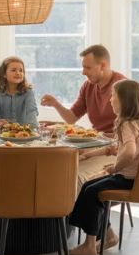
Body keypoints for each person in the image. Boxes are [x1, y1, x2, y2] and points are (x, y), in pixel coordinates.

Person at [68, 79, 139, 255]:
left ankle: (89, 244)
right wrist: (88, 155)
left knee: (89, 191)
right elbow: (115, 148)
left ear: (124, 100)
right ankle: (109, 236)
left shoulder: (125, 125)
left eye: (113, 96)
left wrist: (114, 169)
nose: (110, 100)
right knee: (91, 187)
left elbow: (128, 152)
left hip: (126, 180)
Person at [40, 44, 126, 188]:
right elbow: (71, 118)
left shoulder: (122, 87)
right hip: (96, 144)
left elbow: (130, 129)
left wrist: (97, 142)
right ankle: (55, 209)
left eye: (87, 67)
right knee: (54, 167)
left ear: (102, 65)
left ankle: (72, 209)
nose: (83, 72)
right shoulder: (88, 86)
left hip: (115, 150)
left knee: (72, 176)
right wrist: (55, 104)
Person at [0, 56, 39, 128]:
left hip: (24, 135)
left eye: (21, 70)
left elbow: (32, 113)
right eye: (14, 70)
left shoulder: (28, 92)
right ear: (4, 74)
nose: (18, 73)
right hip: (2, 135)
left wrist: (32, 130)